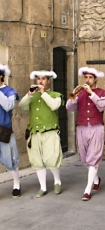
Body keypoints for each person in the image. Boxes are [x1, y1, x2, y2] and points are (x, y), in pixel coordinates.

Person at [66, 67, 105, 201]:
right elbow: (70, 108)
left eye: (90, 77)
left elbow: (103, 106)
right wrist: (73, 95)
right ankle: (96, 179)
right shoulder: (80, 93)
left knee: (93, 158)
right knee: (84, 158)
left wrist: (91, 93)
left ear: (96, 79)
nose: (87, 80)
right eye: (86, 77)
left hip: (96, 127)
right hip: (82, 127)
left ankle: (87, 190)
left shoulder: (103, 92)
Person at [19, 70, 63, 198]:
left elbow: (54, 106)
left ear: (48, 81)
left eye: (43, 79)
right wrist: (29, 94)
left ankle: (57, 181)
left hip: (50, 132)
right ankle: (43, 187)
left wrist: (43, 93)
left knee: (52, 159)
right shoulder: (32, 96)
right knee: (37, 160)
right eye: (38, 79)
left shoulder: (55, 95)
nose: (40, 81)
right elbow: (22, 106)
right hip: (35, 132)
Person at [0, 64, 21, 198]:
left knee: (10, 160)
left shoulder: (10, 91)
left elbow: (8, 106)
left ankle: (17, 183)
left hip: (4, 130)